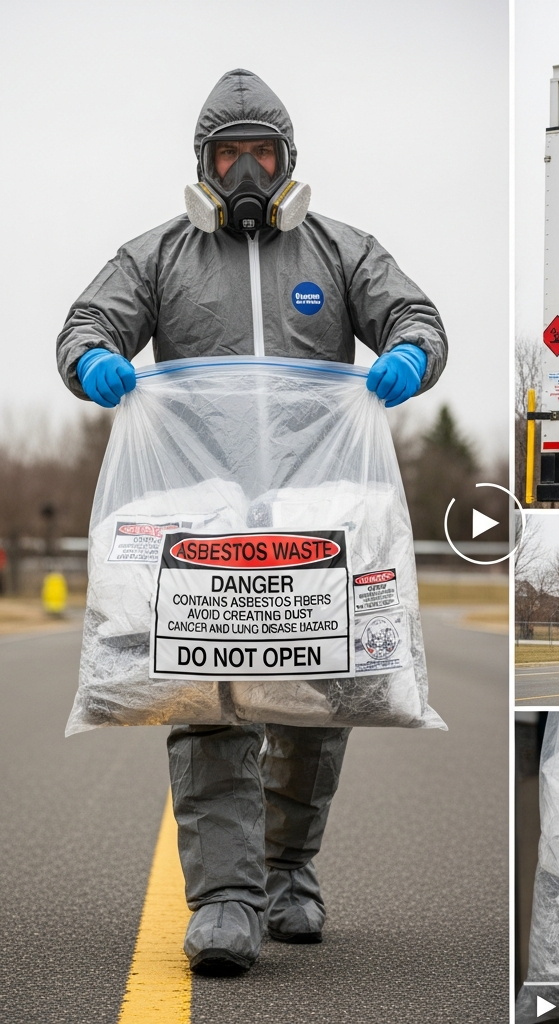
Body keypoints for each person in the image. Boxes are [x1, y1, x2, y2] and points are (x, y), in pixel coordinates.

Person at [55, 69, 447, 975]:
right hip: (199, 520)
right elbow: (84, 324)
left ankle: (289, 874)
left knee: (319, 697)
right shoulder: (155, 257)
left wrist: (411, 352)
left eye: (259, 153)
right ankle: (225, 899)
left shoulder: (344, 251)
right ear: (203, 162)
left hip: (320, 518)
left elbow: (417, 313)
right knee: (210, 698)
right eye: (227, 154)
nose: (244, 172)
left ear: (287, 162)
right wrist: (96, 361)